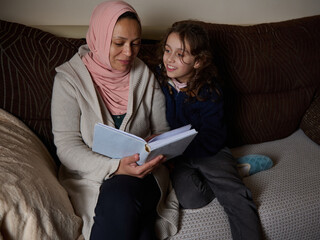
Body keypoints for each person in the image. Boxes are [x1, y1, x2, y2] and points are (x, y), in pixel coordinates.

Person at [51, 1, 179, 239]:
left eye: (136, 43)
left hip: (145, 174)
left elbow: (162, 129)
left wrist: (155, 146)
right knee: (127, 204)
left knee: (125, 194)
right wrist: (115, 167)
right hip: (93, 176)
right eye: (119, 43)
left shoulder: (144, 75)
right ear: (99, 38)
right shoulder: (69, 80)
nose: (129, 53)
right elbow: (67, 147)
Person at [156, 21, 262, 239]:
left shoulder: (209, 90)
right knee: (190, 198)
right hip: (180, 157)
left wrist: (182, 149)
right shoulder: (160, 80)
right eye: (168, 50)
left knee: (235, 195)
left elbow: (213, 136)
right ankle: (237, 169)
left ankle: (231, 174)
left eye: (181, 54)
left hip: (210, 150)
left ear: (198, 61)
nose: (170, 59)